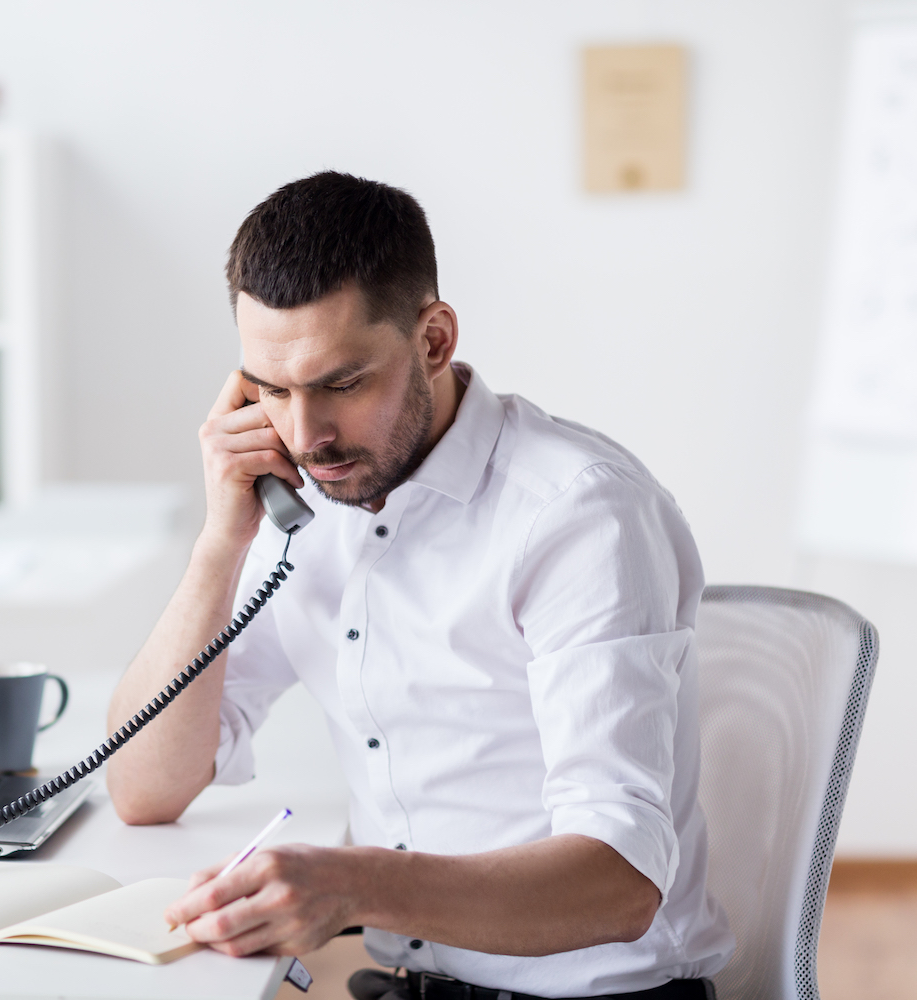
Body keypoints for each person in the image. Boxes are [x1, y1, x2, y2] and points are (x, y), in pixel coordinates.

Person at [105, 172, 734, 1000]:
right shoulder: (311, 499)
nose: (305, 433)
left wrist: (357, 886)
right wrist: (221, 541)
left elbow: (621, 882)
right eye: (271, 389)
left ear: (434, 339)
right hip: (416, 983)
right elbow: (144, 787)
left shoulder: (579, 516)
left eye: (341, 383)